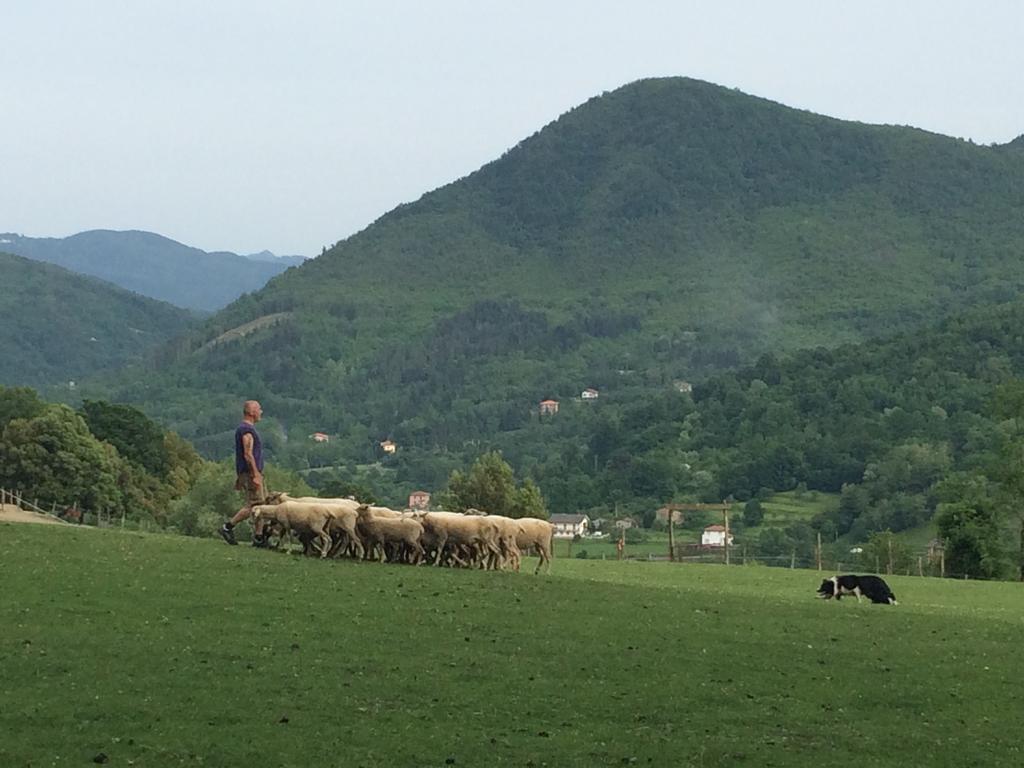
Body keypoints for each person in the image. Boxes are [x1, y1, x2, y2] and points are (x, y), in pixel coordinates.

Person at [219, 400, 270, 546]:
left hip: (250, 473)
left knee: (261, 504)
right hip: (252, 473)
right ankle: (228, 527)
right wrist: (255, 474)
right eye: (259, 409)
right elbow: (248, 454)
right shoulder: (246, 430)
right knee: (254, 504)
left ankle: (259, 537)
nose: (261, 412)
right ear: (252, 412)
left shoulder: (244, 429)